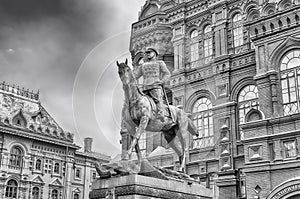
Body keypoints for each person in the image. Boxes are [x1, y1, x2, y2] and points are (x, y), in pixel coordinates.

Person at [134, 47, 171, 122]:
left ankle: (161, 114)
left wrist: (162, 81)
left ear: (155, 53)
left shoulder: (160, 63)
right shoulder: (143, 65)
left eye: (149, 52)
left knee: (157, 100)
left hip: (155, 86)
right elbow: (136, 76)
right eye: (146, 53)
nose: (148, 54)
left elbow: (167, 74)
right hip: (144, 88)